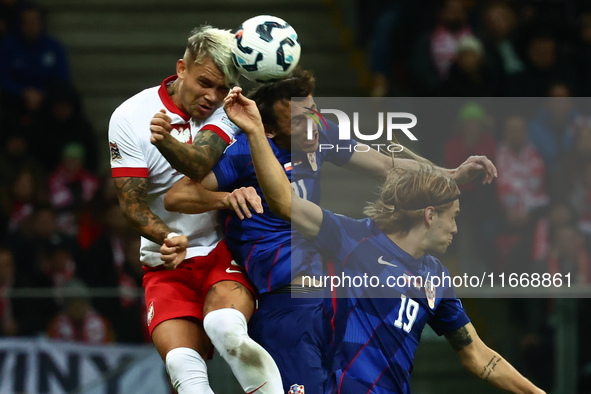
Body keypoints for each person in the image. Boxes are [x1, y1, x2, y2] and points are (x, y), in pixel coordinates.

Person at [160, 69, 497, 392]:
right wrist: (227, 196)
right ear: (271, 131)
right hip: (285, 295)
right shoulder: (246, 151)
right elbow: (177, 195)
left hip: (326, 293)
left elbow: (385, 165)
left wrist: (450, 174)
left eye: (313, 113)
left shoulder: (319, 131)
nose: (311, 129)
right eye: (296, 121)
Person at [220, 86, 546, 394]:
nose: (456, 229)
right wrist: (254, 132)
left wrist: (535, 391)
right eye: (453, 217)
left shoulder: (436, 279)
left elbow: (477, 355)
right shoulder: (354, 238)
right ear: (429, 215)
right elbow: (284, 201)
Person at [108, 26, 281, 394]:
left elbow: (200, 163)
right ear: (181, 67)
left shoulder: (225, 109)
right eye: (205, 83)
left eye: (221, 88)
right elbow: (132, 204)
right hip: (165, 264)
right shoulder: (129, 117)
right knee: (182, 369)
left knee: (226, 330)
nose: (212, 96)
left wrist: (167, 141)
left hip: (222, 251)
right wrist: (165, 236)